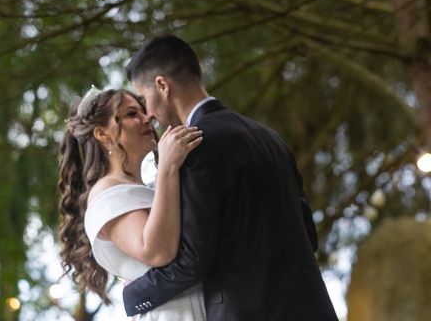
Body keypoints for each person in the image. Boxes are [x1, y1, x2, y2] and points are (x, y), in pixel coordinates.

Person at [122, 34, 339, 321]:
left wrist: (133, 295)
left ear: (162, 85)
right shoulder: (271, 138)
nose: (149, 114)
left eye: (145, 99)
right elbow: (308, 236)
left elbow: (193, 260)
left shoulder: (194, 146)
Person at [58, 87, 206, 319]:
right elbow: (156, 251)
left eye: (143, 111)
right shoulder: (106, 193)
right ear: (102, 134)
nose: (147, 118)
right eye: (131, 114)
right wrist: (168, 166)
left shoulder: (145, 189)